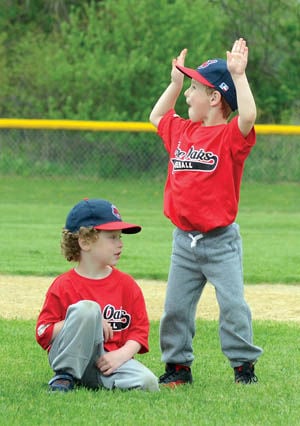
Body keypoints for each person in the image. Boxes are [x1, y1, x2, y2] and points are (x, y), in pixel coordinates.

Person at [149, 38, 263, 386]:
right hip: (183, 242)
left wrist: (238, 77)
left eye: (194, 89)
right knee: (175, 309)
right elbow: (156, 116)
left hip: (220, 242)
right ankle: (178, 367)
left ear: (214, 98)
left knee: (232, 307)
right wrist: (174, 84)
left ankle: (243, 367)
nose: (188, 96)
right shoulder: (182, 130)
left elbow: (248, 115)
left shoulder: (230, 137)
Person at [36, 198, 159, 392]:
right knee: (88, 308)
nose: (120, 244)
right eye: (112, 237)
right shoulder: (64, 285)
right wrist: (87, 319)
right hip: (70, 357)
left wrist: (120, 356)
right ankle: (65, 376)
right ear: (85, 241)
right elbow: (44, 333)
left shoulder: (127, 285)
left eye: (120, 237)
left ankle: (97, 382)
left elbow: (139, 332)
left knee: (148, 382)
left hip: (110, 362)